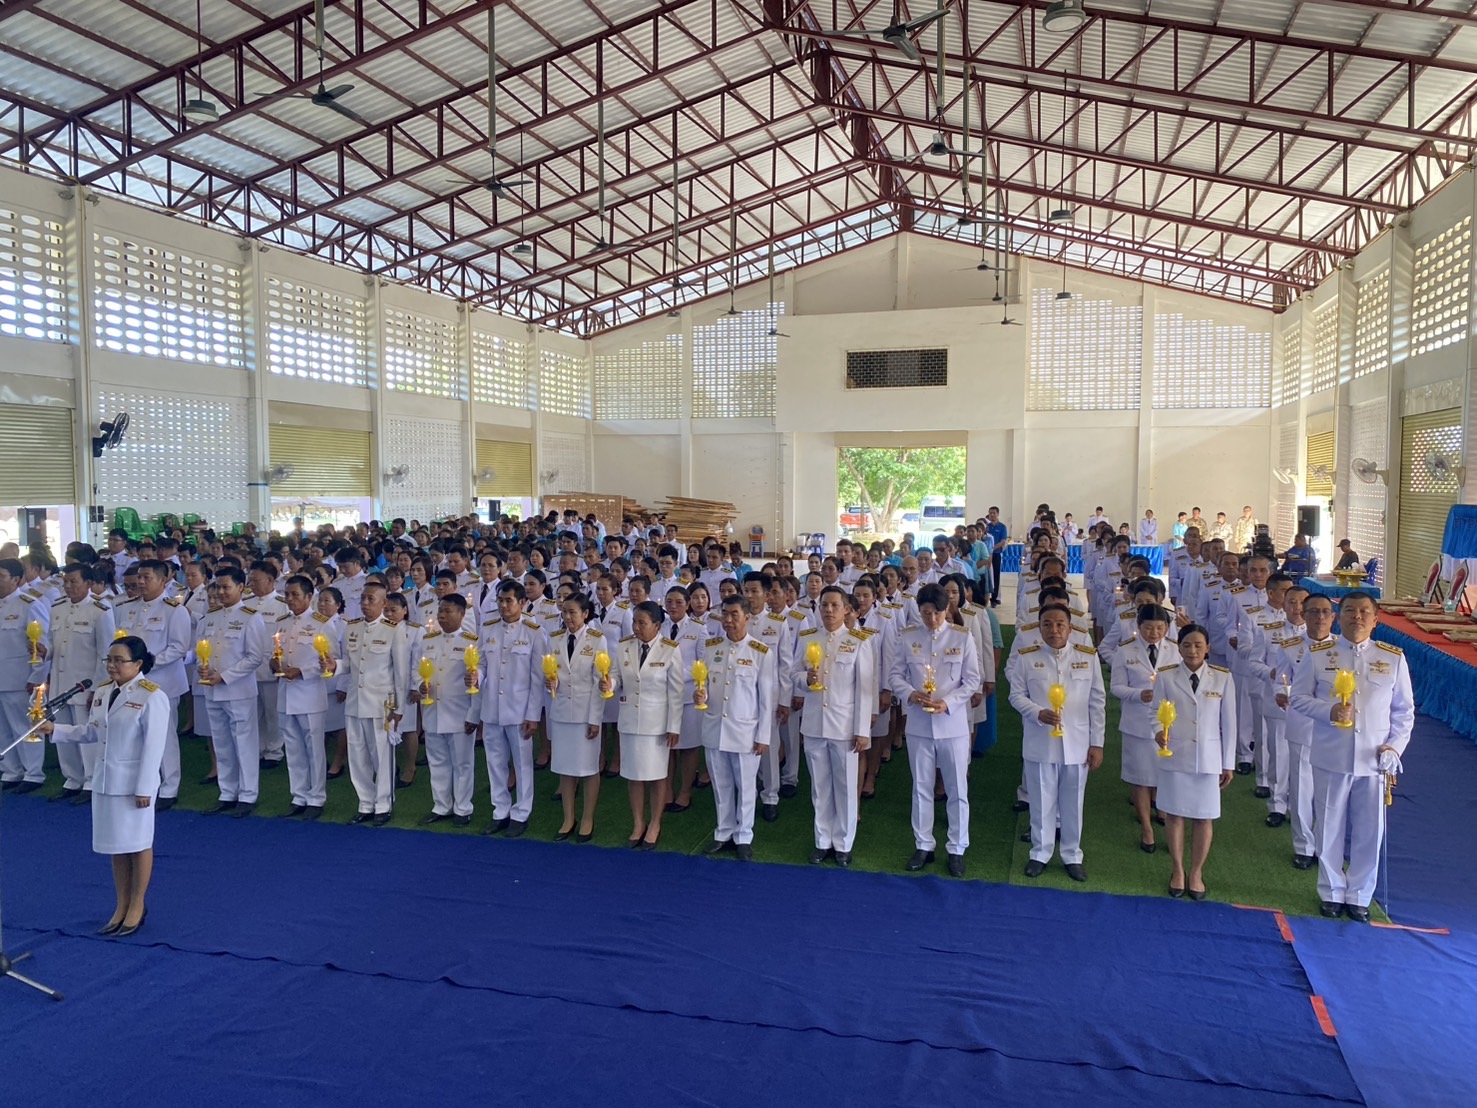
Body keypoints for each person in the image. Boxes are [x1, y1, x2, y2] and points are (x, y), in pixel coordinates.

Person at [1290, 592, 1414, 922]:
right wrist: (1328, 711)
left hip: (1374, 760)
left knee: (1369, 831)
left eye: (1364, 612)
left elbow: (1404, 711)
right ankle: (1331, 890)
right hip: (1331, 754)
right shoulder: (1318, 655)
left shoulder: (1392, 658)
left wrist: (1394, 747)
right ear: (1339, 617)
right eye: (1349, 611)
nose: (1356, 616)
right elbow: (1298, 698)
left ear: (1375, 620)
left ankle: (1359, 894)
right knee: (1329, 826)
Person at [42, 636, 169, 937]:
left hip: (134, 785)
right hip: (106, 780)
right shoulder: (102, 692)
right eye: (109, 660)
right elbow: (93, 732)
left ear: (138, 664)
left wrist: (144, 788)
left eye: (119, 661)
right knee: (117, 845)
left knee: (138, 843)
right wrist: (55, 729)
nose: (112, 666)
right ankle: (121, 903)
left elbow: (153, 747)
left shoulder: (152, 696)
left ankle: (137, 904)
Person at [1006, 604, 1106, 881]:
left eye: (1060, 624)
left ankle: (1072, 854)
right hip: (1040, 741)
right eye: (1047, 624)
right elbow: (1015, 695)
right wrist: (1036, 712)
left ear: (1070, 628)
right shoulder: (1028, 658)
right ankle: (1040, 852)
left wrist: (1097, 743)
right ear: (1039, 628)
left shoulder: (1087, 657)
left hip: (1077, 743)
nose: (1054, 630)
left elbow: (1097, 702)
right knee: (1040, 801)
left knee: (1073, 803)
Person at [890, 583, 981, 877]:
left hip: (952, 724)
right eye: (926, 613)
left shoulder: (961, 637)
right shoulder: (908, 637)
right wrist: (910, 694)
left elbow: (972, 680)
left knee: (957, 789)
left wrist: (948, 702)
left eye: (937, 614)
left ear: (946, 610)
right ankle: (923, 844)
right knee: (921, 786)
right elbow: (895, 675)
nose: (932, 619)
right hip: (919, 723)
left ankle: (957, 847)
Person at [1149, 624, 1235, 899]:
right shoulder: (1166, 676)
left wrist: (1228, 762)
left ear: (1208, 648)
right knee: (1174, 815)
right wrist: (1157, 732)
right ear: (1179, 647)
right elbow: (1154, 712)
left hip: (1208, 758)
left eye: (1198, 645)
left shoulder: (1222, 677)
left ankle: (1196, 872)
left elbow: (1229, 723)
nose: (1192, 650)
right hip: (1175, 754)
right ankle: (1177, 870)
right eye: (1186, 645)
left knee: (1203, 817)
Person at [790, 586, 874, 867]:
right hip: (814, 723)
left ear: (846, 609)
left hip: (844, 726)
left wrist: (862, 730)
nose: (828, 610)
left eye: (835, 605)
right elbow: (793, 673)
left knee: (845, 786)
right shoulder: (808, 638)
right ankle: (822, 840)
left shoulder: (858, 641)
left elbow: (864, 689)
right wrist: (805, 680)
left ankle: (843, 843)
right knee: (820, 787)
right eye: (824, 605)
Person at [696, 596, 777, 861]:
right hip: (715, 727)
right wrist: (701, 695)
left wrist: (763, 736)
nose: (728, 620)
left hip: (745, 731)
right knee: (721, 785)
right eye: (725, 614)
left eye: (734, 615)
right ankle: (723, 832)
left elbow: (766, 699)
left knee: (746, 786)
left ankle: (743, 836)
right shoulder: (711, 648)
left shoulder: (760, 652)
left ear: (747, 618)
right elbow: (705, 684)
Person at [113, 559, 192, 808]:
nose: (141, 582)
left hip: (162, 682)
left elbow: (179, 647)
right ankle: (144, 785)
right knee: (134, 735)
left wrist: (146, 664)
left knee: (164, 736)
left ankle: (169, 788)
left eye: (147, 577)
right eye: (139, 577)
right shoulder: (126, 608)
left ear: (163, 580)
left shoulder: (174, 610)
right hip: (132, 684)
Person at [473, 581, 546, 837]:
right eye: (500, 601)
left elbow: (537, 678)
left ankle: (521, 812)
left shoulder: (534, 632)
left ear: (522, 603)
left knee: (522, 764)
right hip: (492, 707)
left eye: (509, 601)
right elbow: (482, 664)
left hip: (519, 710)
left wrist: (533, 715)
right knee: (495, 762)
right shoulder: (489, 628)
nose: (504, 606)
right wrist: (476, 676)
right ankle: (500, 810)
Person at [195, 567, 269, 816]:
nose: (221, 592)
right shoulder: (210, 617)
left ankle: (248, 795)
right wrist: (203, 668)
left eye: (226, 587)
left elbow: (255, 657)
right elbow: (200, 650)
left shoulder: (251, 617)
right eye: (218, 587)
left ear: (241, 588)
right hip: (212, 689)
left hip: (237, 690)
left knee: (244, 743)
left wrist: (225, 676)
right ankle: (227, 792)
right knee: (222, 742)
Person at [609, 600, 683, 848]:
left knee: (657, 776)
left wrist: (674, 726)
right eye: (634, 622)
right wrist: (610, 683)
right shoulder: (625, 646)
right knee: (634, 776)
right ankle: (638, 823)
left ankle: (655, 823)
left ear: (657, 625)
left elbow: (676, 692)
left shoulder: (669, 649)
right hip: (630, 720)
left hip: (656, 725)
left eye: (642, 623)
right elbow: (617, 675)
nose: (636, 627)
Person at [39, 564, 115, 803]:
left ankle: (91, 782)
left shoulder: (100, 611)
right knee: (62, 735)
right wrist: (44, 651)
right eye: (66, 582)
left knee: (86, 736)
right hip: (61, 683)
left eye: (74, 581)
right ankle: (72, 779)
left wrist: (97, 688)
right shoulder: (58, 607)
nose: (68, 586)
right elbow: (53, 642)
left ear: (88, 583)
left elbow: (105, 654)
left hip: (85, 684)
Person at [270, 574, 341, 820]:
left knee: (314, 748)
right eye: (287, 595)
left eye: (295, 595)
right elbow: (276, 652)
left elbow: (332, 660)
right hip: (286, 693)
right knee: (293, 747)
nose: (290, 600)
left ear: (309, 597)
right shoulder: (282, 623)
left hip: (309, 693)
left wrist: (302, 671)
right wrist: (273, 663)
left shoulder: (322, 623)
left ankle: (316, 797)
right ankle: (298, 795)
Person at [1109, 604, 1178, 853]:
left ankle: (1163, 811)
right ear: (1138, 627)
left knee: (1166, 774)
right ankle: (1146, 828)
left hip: (1168, 723)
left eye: (1160, 628)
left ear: (1167, 628)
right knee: (1140, 778)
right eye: (1148, 628)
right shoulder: (1125, 650)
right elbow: (1116, 687)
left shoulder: (1176, 650)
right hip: (1137, 722)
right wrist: (1139, 694)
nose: (1154, 633)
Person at [342, 582, 408, 826]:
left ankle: (383, 804)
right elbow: (347, 664)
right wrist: (332, 666)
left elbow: (401, 673)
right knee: (357, 755)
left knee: (381, 756)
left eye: (371, 599)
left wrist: (399, 709)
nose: (365, 603)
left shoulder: (393, 630)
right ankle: (365, 803)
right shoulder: (352, 627)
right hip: (355, 701)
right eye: (363, 598)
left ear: (383, 603)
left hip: (381, 703)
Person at [414, 593, 478, 828]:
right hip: (433, 710)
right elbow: (417, 669)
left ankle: (462, 807)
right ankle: (441, 805)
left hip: (459, 712)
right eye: (440, 611)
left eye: (448, 611)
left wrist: (474, 714)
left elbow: (477, 683)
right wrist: (419, 685)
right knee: (437, 762)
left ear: (461, 614)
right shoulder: (428, 640)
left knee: (462, 763)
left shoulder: (471, 642)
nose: (442, 615)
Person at [546, 593, 606, 841]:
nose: (568, 617)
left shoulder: (597, 640)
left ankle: (588, 817)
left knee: (588, 768)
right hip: (561, 713)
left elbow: (600, 682)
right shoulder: (555, 638)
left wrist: (595, 719)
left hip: (584, 714)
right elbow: (550, 672)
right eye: (565, 612)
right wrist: (550, 682)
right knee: (565, 768)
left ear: (585, 614)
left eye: (573, 612)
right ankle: (568, 818)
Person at [0, 558, 51, 792]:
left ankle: (33, 774)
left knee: (25, 727)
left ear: (16, 579)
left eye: (1, 577)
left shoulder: (29, 605)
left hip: (20, 678)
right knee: (2, 729)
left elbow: (41, 644)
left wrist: (37, 676)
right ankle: (11, 771)